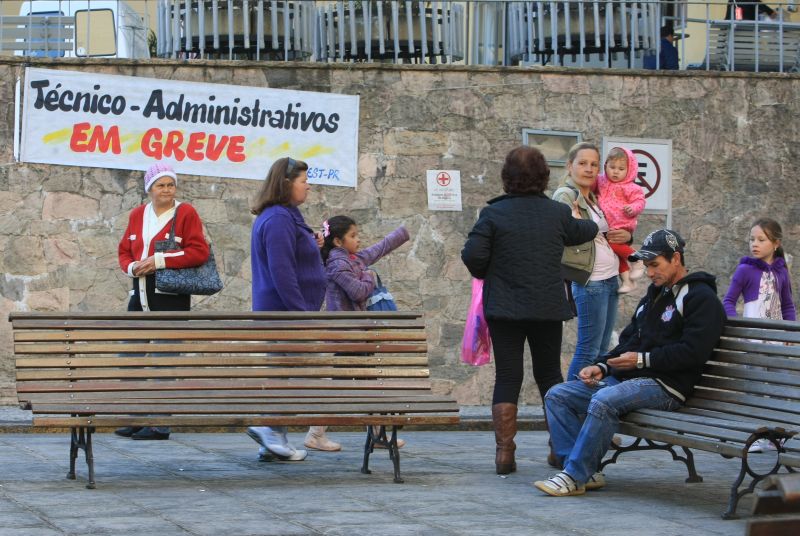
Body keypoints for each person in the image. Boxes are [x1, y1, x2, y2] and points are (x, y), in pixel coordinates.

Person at [535, 229, 726, 496]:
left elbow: (693, 353)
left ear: (676, 259)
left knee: (604, 400)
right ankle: (580, 470)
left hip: (666, 387)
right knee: (557, 395)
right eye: (646, 266)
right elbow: (629, 342)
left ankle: (574, 476)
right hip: (630, 381)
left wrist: (641, 360)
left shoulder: (701, 298)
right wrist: (602, 367)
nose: (649, 272)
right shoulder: (654, 296)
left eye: (655, 265)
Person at [461, 146, 599, 475]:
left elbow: (472, 256)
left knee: (508, 376)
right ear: (543, 176)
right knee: (549, 375)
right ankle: (558, 449)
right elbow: (587, 231)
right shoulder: (556, 213)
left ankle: (505, 453)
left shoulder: (493, 214)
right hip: (547, 308)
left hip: (504, 309)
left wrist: (490, 272)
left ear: (507, 177)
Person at [116, 162, 210, 441]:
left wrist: (158, 261)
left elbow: (198, 252)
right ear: (150, 189)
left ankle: (159, 423)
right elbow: (124, 251)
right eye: (161, 185)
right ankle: (135, 418)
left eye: (171, 184)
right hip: (140, 295)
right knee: (130, 358)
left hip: (171, 298)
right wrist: (132, 267)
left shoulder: (185, 213)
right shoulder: (137, 215)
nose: (167, 190)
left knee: (163, 361)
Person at [248, 156, 327, 462]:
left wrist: (312, 245)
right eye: (304, 181)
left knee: (285, 371)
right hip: (284, 313)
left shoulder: (285, 217)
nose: (308, 186)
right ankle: (268, 427)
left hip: (283, 312)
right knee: (290, 373)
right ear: (286, 183)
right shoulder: (279, 219)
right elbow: (283, 272)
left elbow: (292, 256)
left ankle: (272, 436)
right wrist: (301, 315)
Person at [319, 215, 411, 450]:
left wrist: (404, 230)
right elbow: (358, 292)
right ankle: (316, 432)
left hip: (357, 334)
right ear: (338, 241)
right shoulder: (337, 264)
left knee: (367, 381)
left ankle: (376, 433)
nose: (358, 240)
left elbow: (379, 249)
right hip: (347, 335)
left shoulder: (354, 259)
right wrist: (370, 277)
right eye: (353, 236)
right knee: (350, 384)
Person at [552, 142, 632, 386]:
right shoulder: (565, 195)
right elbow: (567, 232)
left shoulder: (595, 197)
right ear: (570, 166)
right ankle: (566, 403)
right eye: (582, 163)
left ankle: (586, 408)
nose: (589, 168)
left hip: (609, 279)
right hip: (590, 280)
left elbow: (607, 233)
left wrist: (628, 237)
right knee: (587, 350)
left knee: (600, 354)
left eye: (594, 164)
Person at [723, 218, 796, 453]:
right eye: (752, 239)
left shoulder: (782, 271)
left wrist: (789, 333)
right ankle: (757, 434)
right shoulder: (745, 270)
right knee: (754, 388)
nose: (754, 244)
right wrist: (740, 328)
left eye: (761, 240)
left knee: (780, 386)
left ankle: (780, 434)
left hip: (777, 341)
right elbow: (729, 301)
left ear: (775, 243)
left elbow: (788, 306)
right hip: (753, 340)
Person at [595, 147, 646, 294]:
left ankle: (637, 260)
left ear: (629, 170)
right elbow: (591, 182)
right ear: (605, 166)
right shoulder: (602, 181)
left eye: (621, 168)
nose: (615, 171)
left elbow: (640, 201)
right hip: (608, 225)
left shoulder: (631, 187)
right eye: (612, 167)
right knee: (615, 254)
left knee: (614, 246)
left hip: (621, 223)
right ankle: (627, 281)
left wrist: (633, 208)